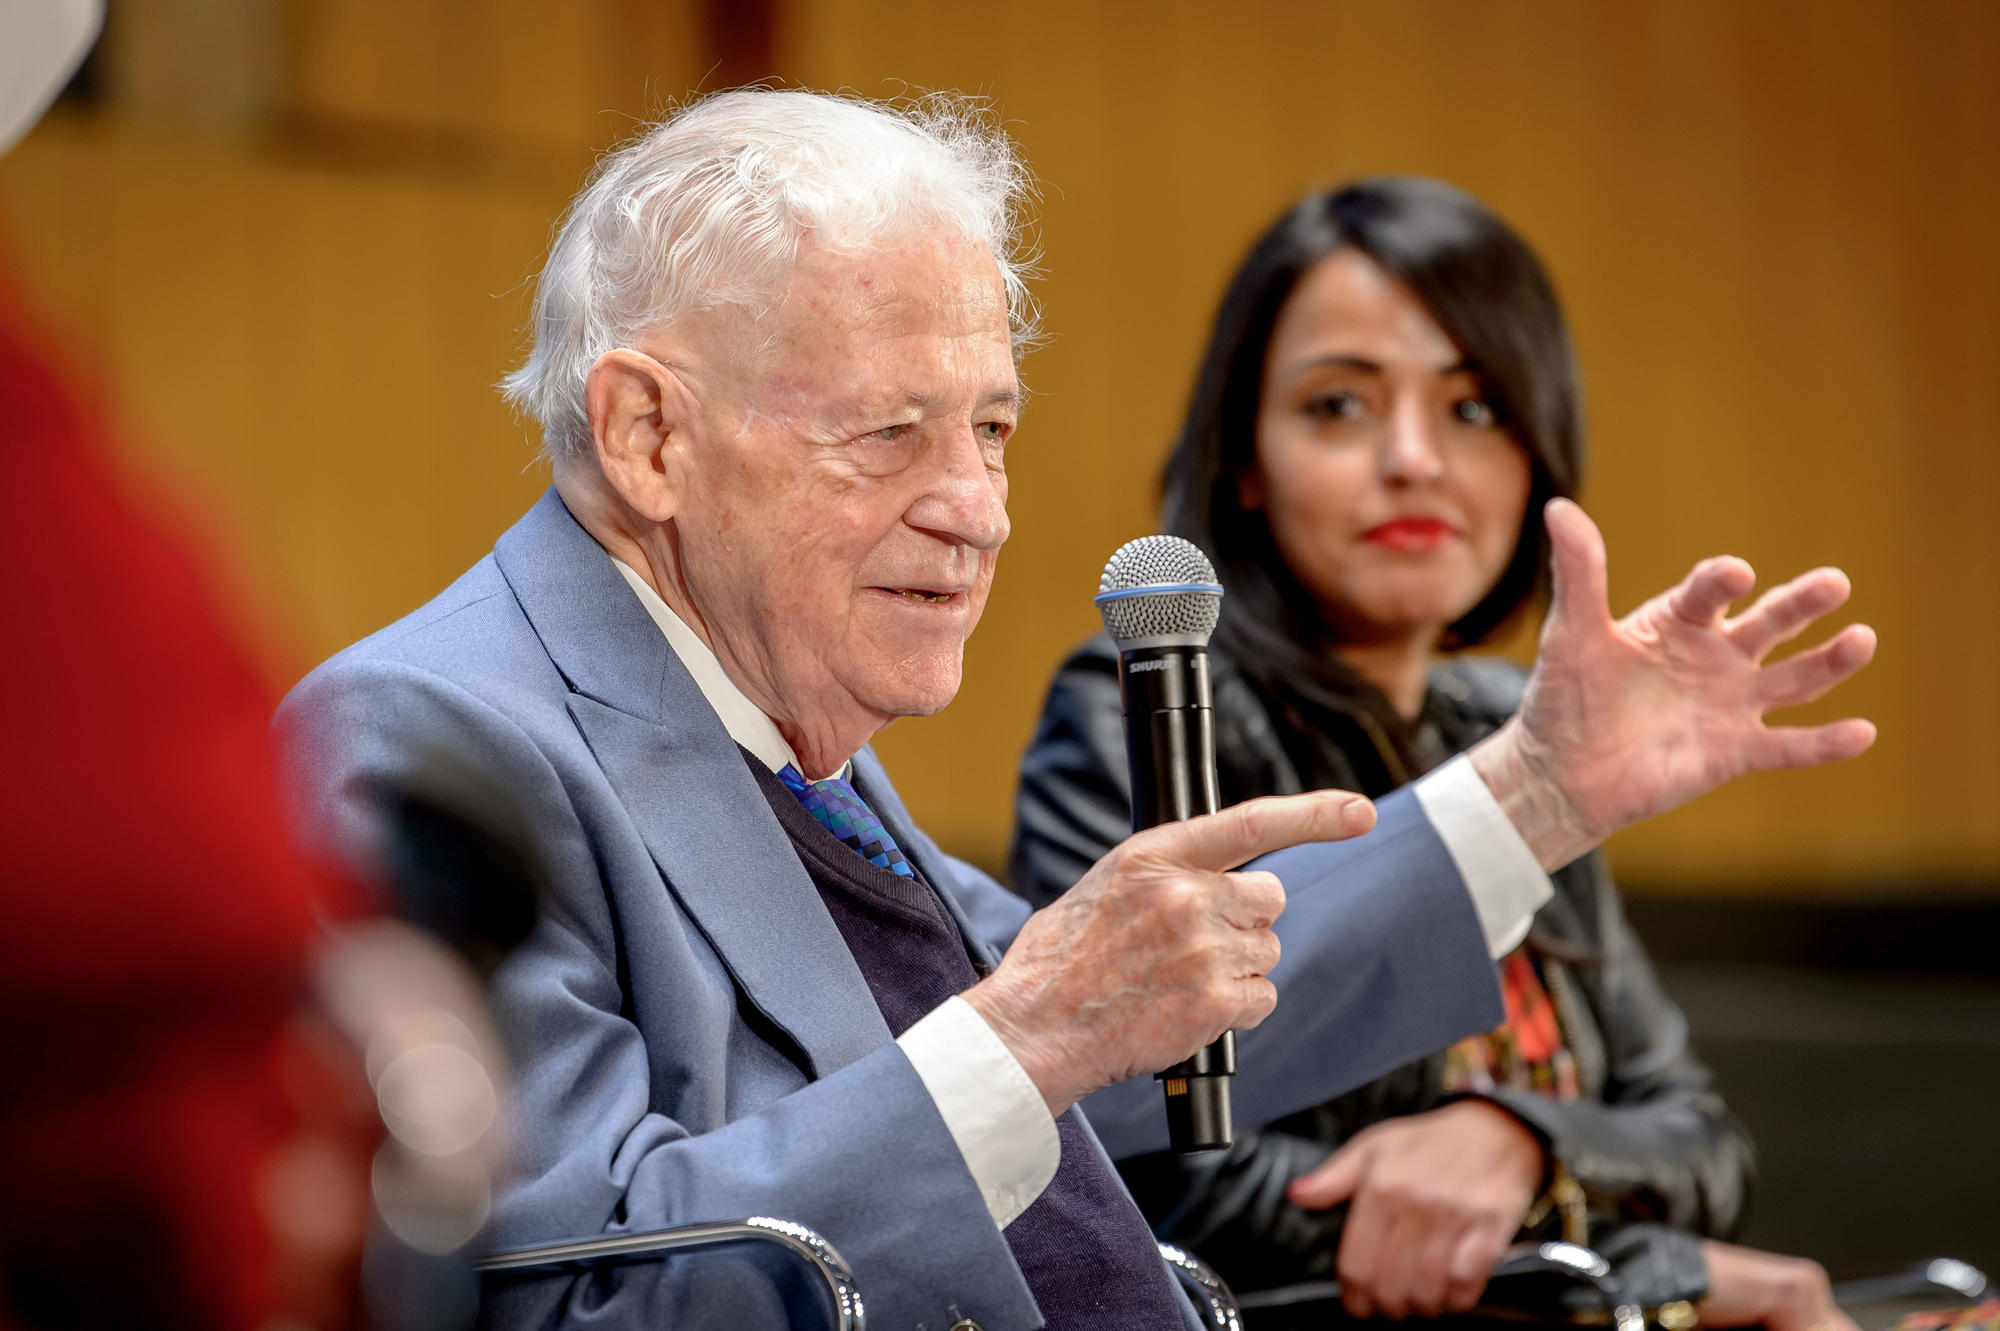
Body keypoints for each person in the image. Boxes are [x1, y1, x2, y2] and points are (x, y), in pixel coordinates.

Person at [278, 91, 1876, 1331]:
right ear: (646, 435)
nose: (978, 509)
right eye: (892, 431)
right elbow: (573, 1289)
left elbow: (1144, 1000)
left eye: (992, 427)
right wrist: (1026, 1030)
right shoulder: (421, 740)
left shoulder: (779, 733)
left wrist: (1543, 788)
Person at [1012, 177, 1864, 1331]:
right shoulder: (1150, 714)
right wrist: (1644, 1267)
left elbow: (1698, 1134)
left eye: (1471, 410)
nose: (1412, 458)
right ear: (1244, 460)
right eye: (1338, 406)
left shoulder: (1513, 724)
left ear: (1535, 453)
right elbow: (1145, 1167)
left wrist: (1517, 1140)